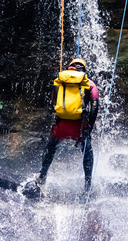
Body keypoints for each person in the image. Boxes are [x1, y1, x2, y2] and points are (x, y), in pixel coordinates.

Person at [35, 58, 99, 191]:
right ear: (84, 70)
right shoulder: (89, 83)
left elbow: (53, 103)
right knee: (87, 150)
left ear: (69, 68)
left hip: (61, 125)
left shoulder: (60, 81)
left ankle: (42, 176)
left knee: (51, 147)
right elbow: (95, 107)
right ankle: (87, 185)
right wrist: (90, 128)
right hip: (80, 126)